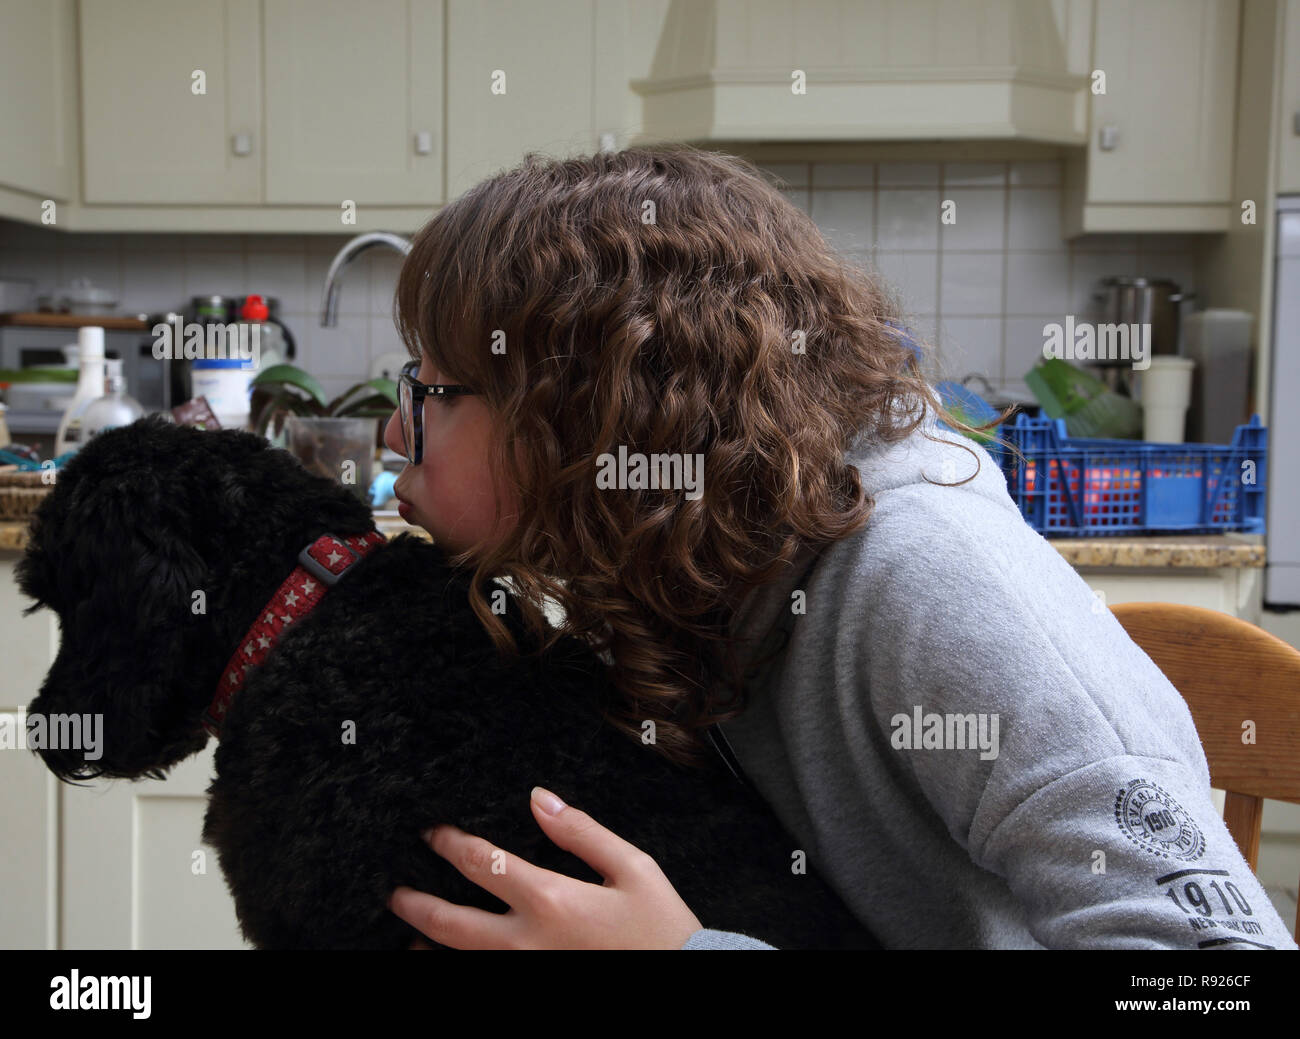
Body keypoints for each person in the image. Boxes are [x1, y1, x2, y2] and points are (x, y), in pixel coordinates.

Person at [382, 144, 1298, 950]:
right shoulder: (680, 557)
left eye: (428, 392)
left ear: (579, 416)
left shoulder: (928, 586)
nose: (392, 434)